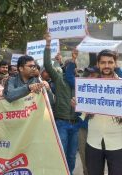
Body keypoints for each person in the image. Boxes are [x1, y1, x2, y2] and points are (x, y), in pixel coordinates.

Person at [44, 33, 79, 175]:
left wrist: (75, 57)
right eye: (70, 65)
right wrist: (47, 45)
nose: (72, 68)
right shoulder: (59, 79)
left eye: (74, 66)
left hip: (76, 123)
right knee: (62, 154)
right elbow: (47, 64)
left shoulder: (81, 83)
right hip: (62, 122)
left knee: (71, 156)